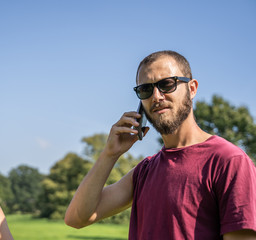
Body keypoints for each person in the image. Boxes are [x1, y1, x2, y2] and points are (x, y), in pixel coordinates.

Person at [64, 50, 256, 239]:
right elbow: (77, 218)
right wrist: (109, 154)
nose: (156, 96)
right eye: (146, 89)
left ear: (192, 89)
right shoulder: (144, 171)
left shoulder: (230, 161)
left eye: (166, 84)